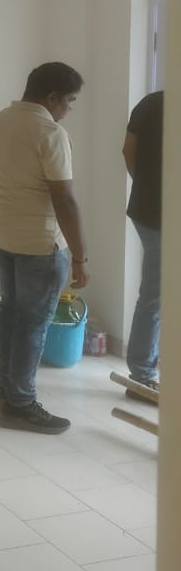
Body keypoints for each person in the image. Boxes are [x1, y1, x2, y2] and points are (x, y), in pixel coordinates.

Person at [0, 63, 89, 434]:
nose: (69, 109)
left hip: (2, 237)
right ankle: (20, 405)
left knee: (12, 314)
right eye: (69, 101)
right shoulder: (50, 133)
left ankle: (6, 390)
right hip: (40, 246)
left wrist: (5, 215)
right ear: (52, 98)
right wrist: (80, 256)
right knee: (32, 324)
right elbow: (65, 200)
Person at [122, 90, 164, 391]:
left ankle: (142, 370)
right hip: (160, 216)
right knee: (156, 295)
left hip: (146, 210)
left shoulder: (151, 102)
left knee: (155, 293)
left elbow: (128, 150)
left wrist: (146, 186)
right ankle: (142, 374)